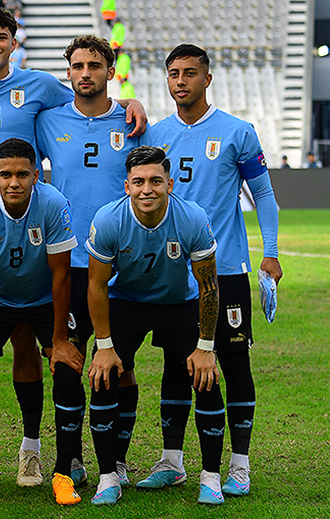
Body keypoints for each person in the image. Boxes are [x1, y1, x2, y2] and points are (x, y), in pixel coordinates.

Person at [0, 6, 145, 488]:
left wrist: (131, 101)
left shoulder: (41, 85)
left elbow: (90, 99)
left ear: (14, 43)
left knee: (37, 335)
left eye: (1, 36)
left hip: (38, 215)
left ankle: (36, 450)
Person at [142, 43, 282, 497]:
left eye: (189, 73)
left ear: (207, 78)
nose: (179, 81)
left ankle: (239, 464)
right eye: (173, 73)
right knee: (175, 363)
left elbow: (263, 195)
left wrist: (272, 252)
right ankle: (172, 461)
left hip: (226, 271)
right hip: (174, 273)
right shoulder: (157, 136)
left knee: (234, 362)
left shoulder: (238, 132)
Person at [85, 145, 224, 505]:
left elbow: (208, 286)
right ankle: (108, 476)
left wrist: (206, 348)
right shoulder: (109, 219)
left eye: (156, 181)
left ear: (170, 184)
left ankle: (210, 476)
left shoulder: (192, 218)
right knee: (104, 374)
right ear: (127, 186)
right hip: (126, 303)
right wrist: (103, 346)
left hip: (178, 304)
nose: (147, 189)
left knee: (206, 376)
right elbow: (97, 286)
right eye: (139, 182)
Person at [35, 34, 141, 489]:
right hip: (69, 261)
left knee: (122, 362)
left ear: (109, 72)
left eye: (94, 65)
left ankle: (115, 458)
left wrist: (133, 103)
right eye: (77, 66)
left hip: (124, 262)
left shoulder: (134, 122)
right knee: (69, 361)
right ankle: (72, 457)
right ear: (68, 73)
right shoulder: (47, 121)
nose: (84, 73)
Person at [0, 138, 77, 505]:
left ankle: (53, 467)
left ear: (36, 175)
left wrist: (59, 339)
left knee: (68, 370)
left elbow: (61, 275)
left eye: (23, 174)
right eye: (6, 175)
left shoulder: (53, 203)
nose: (14, 182)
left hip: (42, 298)